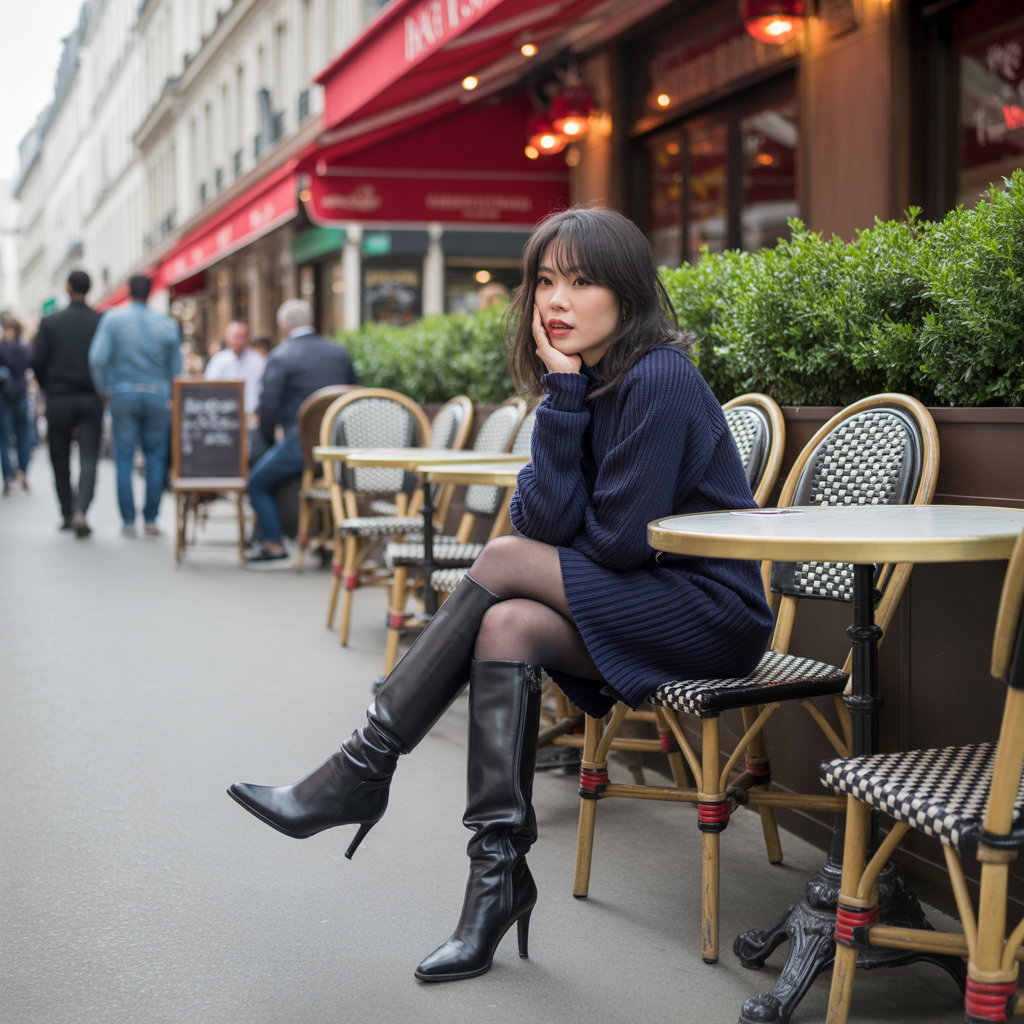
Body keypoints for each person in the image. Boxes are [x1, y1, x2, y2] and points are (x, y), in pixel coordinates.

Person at [228, 207, 775, 980]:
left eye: (581, 281)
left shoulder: (658, 377)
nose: (557, 299)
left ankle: (360, 769)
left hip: (705, 611)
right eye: (545, 280)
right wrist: (561, 397)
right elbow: (544, 517)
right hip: (635, 598)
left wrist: (564, 454)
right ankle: (497, 880)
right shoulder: (584, 381)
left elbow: (612, 543)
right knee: (508, 625)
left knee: (511, 562)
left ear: (626, 291)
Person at [244, 298, 357, 567]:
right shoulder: (338, 352)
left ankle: (272, 544)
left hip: (302, 446)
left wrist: (271, 441)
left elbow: (267, 408)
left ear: (284, 325)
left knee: (257, 482)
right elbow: (356, 392)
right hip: (340, 447)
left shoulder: (281, 356)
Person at [88, 274, 182, 537]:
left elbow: (97, 359)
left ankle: (128, 522)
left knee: (124, 459)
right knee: (155, 458)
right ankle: (150, 519)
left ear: (128, 291)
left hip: (122, 393)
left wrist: (102, 389)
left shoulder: (113, 319)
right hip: (156, 395)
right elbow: (177, 370)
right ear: (151, 293)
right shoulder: (166, 324)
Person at [30, 270, 103, 535]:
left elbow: (37, 361)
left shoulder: (50, 322)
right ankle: (82, 509)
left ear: (68, 287)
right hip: (90, 396)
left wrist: (48, 387)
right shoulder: (99, 320)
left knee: (59, 457)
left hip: (59, 397)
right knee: (89, 457)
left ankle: (67, 511)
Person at [204, 320, 267, 417]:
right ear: (228, 338)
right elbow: (208, 388)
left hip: (251, 416)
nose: (240, 341)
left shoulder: (258, 362)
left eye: (244, 336)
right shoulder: (218, 361)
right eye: (237, 336)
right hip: (223, 416)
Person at [0, 314, 33, 495]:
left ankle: (9, 477)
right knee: (22, 436)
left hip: (5, 396)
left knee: (5, 439)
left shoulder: (2, 348)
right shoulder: (24, 349)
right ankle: (21, 473)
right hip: (19, 396)